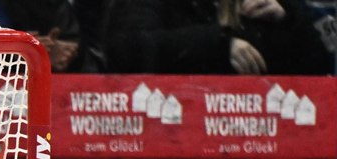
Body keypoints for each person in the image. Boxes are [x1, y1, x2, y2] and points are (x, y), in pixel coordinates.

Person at [104, 0, 332, 75]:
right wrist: (219, 44)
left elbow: (318, 71)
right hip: (171, 129)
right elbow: (127, 48)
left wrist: (286, 21)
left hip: (252, 133)